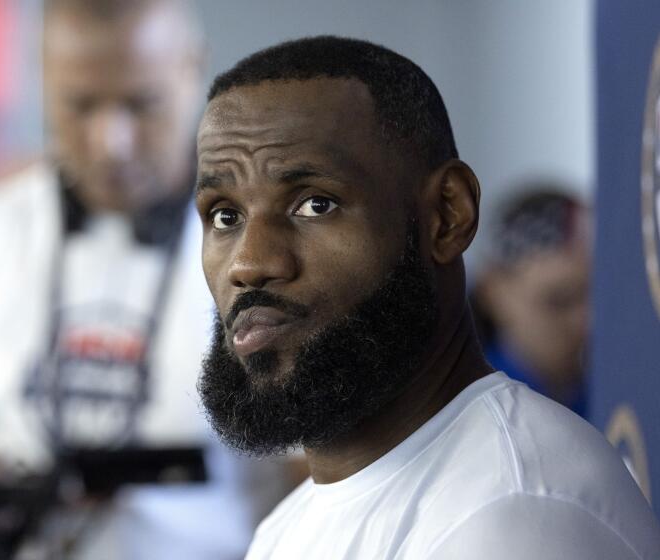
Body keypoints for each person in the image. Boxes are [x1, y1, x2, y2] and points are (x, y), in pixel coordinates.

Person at [194, 36, 660, 559]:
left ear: (447, 215)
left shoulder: (513, 513)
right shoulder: (289, 527)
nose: (249, 263)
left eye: (315, 204)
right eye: (225, 216)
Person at [0, 1, 268, 559]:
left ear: (193, 66)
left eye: (140, 103)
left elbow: (324, 480)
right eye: (81, 105)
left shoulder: (270, 252)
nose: (112, 141)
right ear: (42, 75)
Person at [471, 187, 590, 416]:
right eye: (560, 301)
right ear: (493, 293)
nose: (585, 323)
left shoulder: (611, 392)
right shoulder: (476, 410)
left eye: (599, 301)